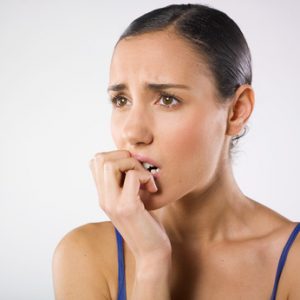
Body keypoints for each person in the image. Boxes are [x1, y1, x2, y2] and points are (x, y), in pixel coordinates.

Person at [52, 3, 300, 299]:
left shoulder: (292, 262)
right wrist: (151, 261)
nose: (132, 132)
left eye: (167, 99)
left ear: (236, 111)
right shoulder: (85, 254)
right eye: (121, 100)